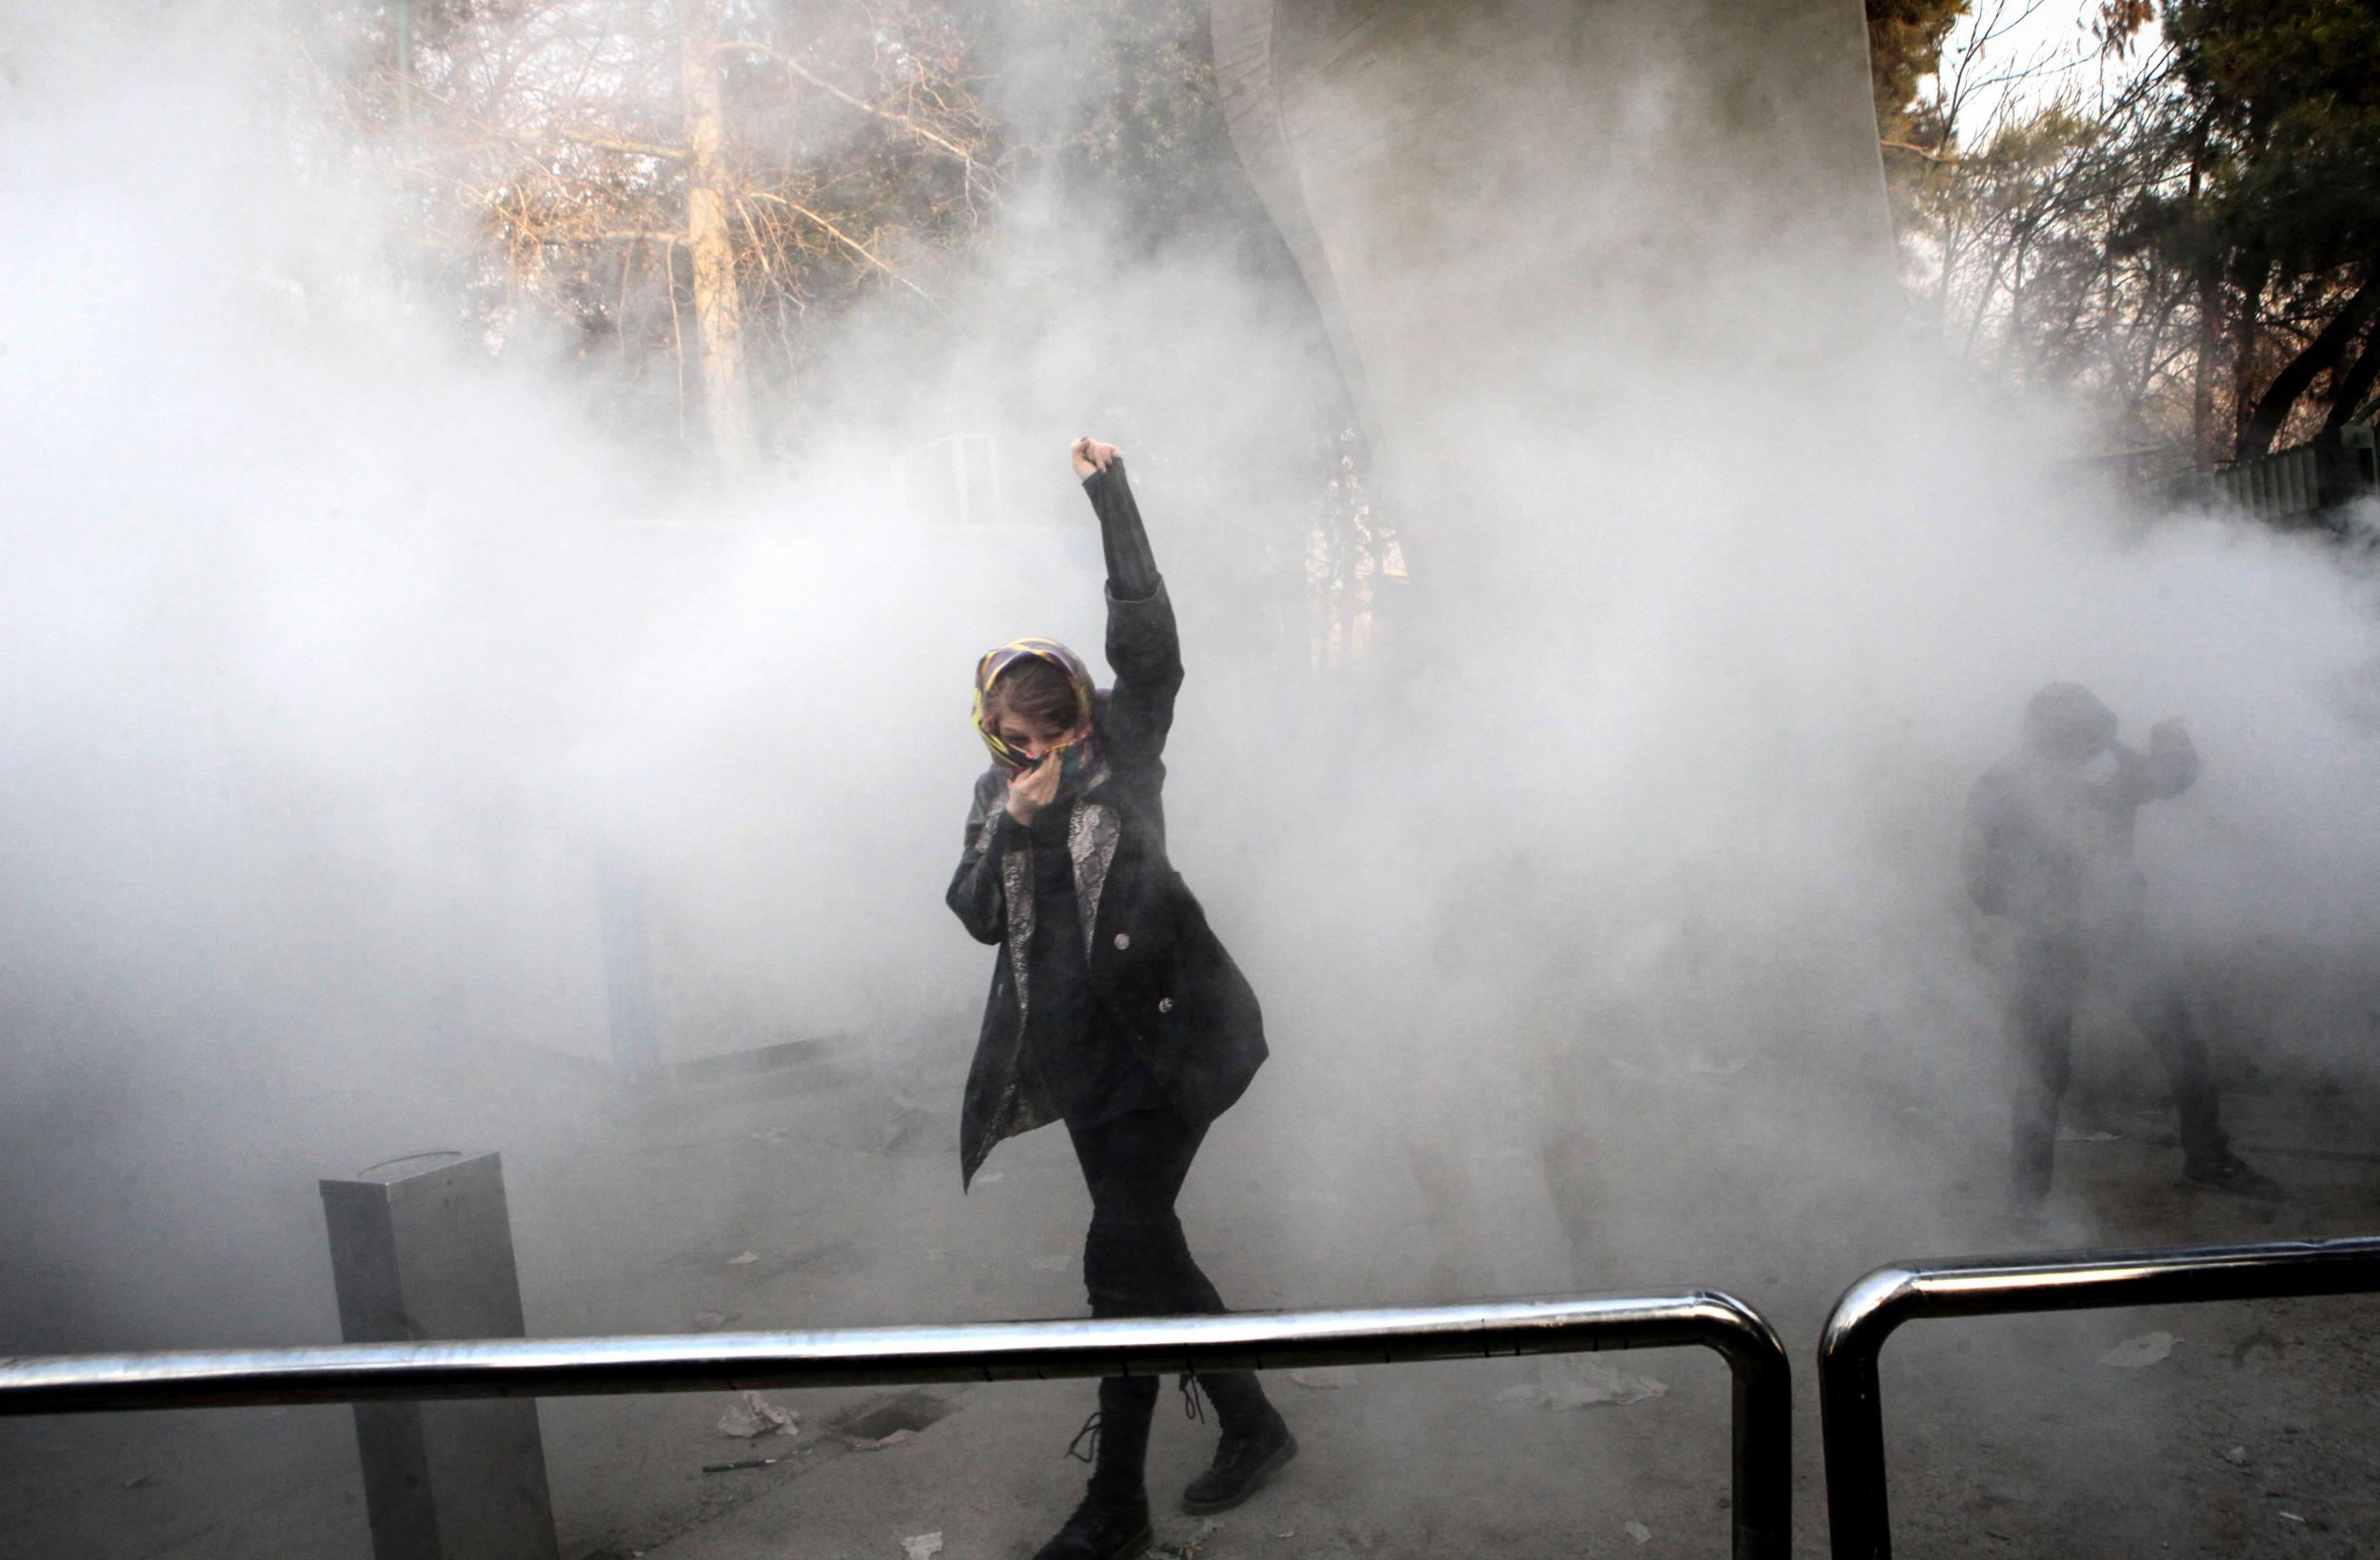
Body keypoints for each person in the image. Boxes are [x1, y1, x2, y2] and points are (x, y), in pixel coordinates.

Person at [946, 438, 1296, 1560]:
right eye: (1018, 738)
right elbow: (973, 913)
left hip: (1171, 1056)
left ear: (1084, 722)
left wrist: (1113, 496)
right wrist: (1015, 822)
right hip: (1080, 1068)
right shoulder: (994, 796)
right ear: (995, 728)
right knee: (1155, 1256)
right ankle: (1253, 1425)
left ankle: (1116, 1505)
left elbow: (1151, 653)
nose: (1037, 754)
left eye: (1055, 735)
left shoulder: (1126, 754)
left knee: (1117, 1268)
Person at [1962, 681, 2282, 1208]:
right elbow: (1982, 885)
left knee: (2183, 1048)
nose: (2096, 750)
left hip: (2121, 931)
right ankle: (2027, 1202)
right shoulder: (2002, 785)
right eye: (2083, 740)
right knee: (2042, 1073)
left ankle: (2208, 1159)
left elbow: (2171, 779)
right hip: (2048, 941)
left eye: (2099, 738)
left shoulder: (2109, 767)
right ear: (2050, 738)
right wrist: (2053, 864)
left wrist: (2175, 745)